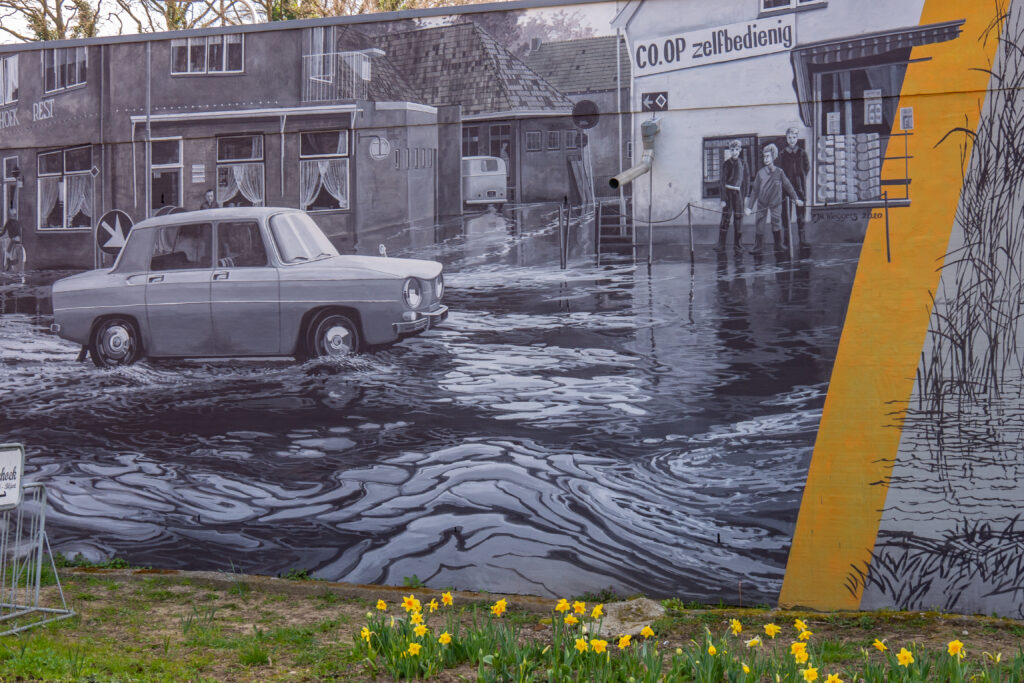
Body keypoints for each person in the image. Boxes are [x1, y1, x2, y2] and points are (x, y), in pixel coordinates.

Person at [745, 143, 803, 254]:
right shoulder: (760, 173)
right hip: (762, 203)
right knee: (759, 223)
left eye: (768, 156)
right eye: (764, 156)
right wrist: (749, 207)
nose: (765, 159)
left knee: (776, 222)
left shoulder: (779, 172)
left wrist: (796, 199)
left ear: (773, 157)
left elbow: (788, 186)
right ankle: (758, 246)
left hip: (776, 203)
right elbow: (754, 191)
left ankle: (778, 245)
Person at [778, 126, 811, 248]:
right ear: (786, 139)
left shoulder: (802, 153)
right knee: (786, 215)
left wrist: (799, 179)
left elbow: (807, 168)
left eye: (794, 137)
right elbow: (780, 171)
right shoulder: (782, 154)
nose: (791, 140)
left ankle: (802, 240)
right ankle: (787, 241)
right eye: (789, 137)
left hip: (799, 188)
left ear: (797, 138)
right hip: (786, 188)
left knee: (800, 215)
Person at [715, 140, 747, 253]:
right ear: (729, 151)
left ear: (740, 150)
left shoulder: (743, 163)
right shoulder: (726, 164)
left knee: (738, 218)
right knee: (726, 218)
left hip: (738, 194)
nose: (734, 152)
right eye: (732, 150)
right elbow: (722, 182)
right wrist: (723, 199)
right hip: (728, 193)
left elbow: (745, 182)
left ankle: (738, 245)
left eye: (736, 150)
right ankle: (721, 244)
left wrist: (743, 197)